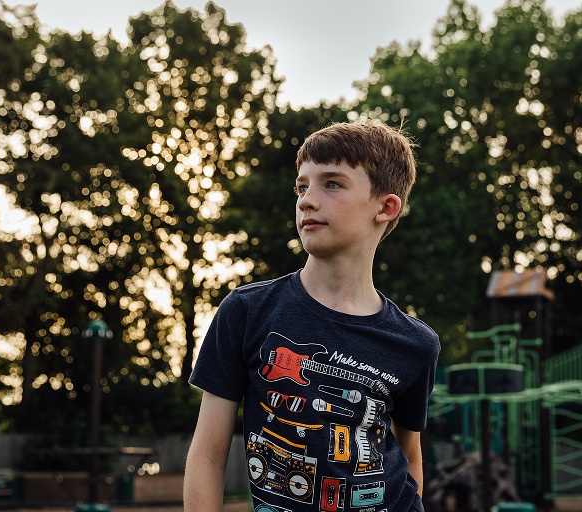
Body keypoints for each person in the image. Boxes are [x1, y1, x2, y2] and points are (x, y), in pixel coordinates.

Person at [183, 121, 441, 512]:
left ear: (385, 208)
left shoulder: (416, 343)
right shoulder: (247, 311)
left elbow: (410, 455)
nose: (307, 200)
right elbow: (207, 455)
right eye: (302, 187)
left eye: (332, 184)